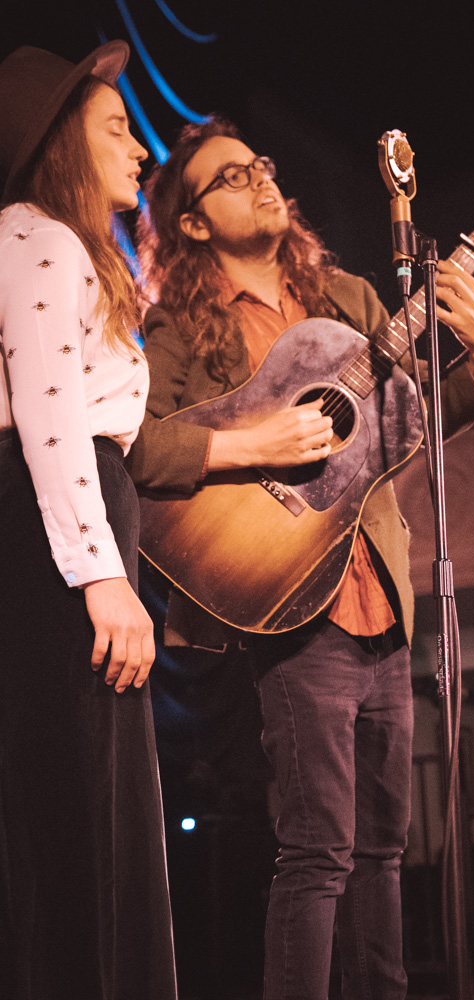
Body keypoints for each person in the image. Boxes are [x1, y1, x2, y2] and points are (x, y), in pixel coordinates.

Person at [128, 117, 474, 1000]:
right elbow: (142, 452)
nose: (261, 179)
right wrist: (255, 440)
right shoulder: (180, 330)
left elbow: (407, 434)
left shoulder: (352, 299)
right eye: (232, 177)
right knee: (319, 851)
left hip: (381, 593)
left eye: (261, 166)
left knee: (383, 850)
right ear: (190, 223)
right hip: (289, 598)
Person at [0, 43, 177, 1000]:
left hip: (77, 518)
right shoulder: (36, 236)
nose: (140, 148)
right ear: (60, 142)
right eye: (115, 127)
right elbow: (52, 410)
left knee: (95, 800)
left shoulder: (70, 249)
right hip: (58, 530)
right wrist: (100, 576)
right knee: (76, 805)